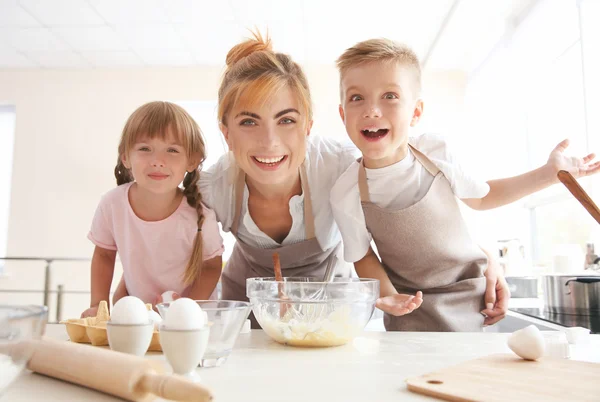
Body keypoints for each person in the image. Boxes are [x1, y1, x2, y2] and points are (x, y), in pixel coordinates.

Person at [200, 32, 509, 327]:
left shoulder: (343, 167)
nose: (270, 142)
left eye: (287, 120)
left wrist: (486, 258)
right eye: (249, 121)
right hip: (249, 304)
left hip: (332, 304)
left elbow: (418, 217)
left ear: (308, 126)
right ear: (226, 132)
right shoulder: (214, 187)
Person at [331, 38, 600, 331]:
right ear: (343, 114)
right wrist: (390, 297)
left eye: (390, 96)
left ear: (416, 112)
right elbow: (362, 255)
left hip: (475, 299)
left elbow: (484, 197)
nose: (372, 110)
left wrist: (550, 173)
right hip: (412, 310)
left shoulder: (434, 152)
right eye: (357, 98)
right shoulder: (346, 192)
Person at [81, 101, 224, 317]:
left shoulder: (200, 216)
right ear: (125, 157)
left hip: (194, 318)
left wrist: (184, 308)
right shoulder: (112, 204)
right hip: (141, 316)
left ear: (192, 160)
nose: (158, 161)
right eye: (145, 149)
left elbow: (212, 266)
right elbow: (103, 255)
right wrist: (97, 306)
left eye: (172, 150)